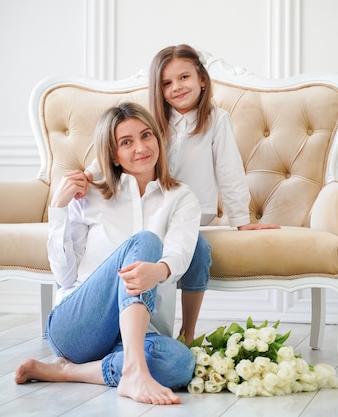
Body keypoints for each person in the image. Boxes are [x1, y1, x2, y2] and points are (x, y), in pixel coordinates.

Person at [84, 44, 280, 344]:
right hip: (151, 211)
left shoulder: (217, 121)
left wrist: (241, 220)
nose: (177, 87)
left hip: (193, 216)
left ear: (202, 78)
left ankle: (187, 332)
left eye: (184, 77)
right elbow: (108, 154)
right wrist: (86, 178)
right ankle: (126, 331)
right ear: (159, 90)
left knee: (198, 251)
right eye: (166, 83)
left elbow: (230, 173)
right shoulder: (150, 122)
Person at [15, 102, 200, 405]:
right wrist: (58, 209)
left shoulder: (181, 197)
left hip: (142, 334)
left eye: (146, 136)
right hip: (77, 327)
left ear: (157, 138)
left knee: (179, 365)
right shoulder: (88, 194)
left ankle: (71, 373)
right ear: (112, 154)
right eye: (126, 142)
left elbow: (181, 248)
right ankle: (134, 370)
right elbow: (64, 276)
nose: (141, 147)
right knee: (146, 241)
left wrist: (161, 270)